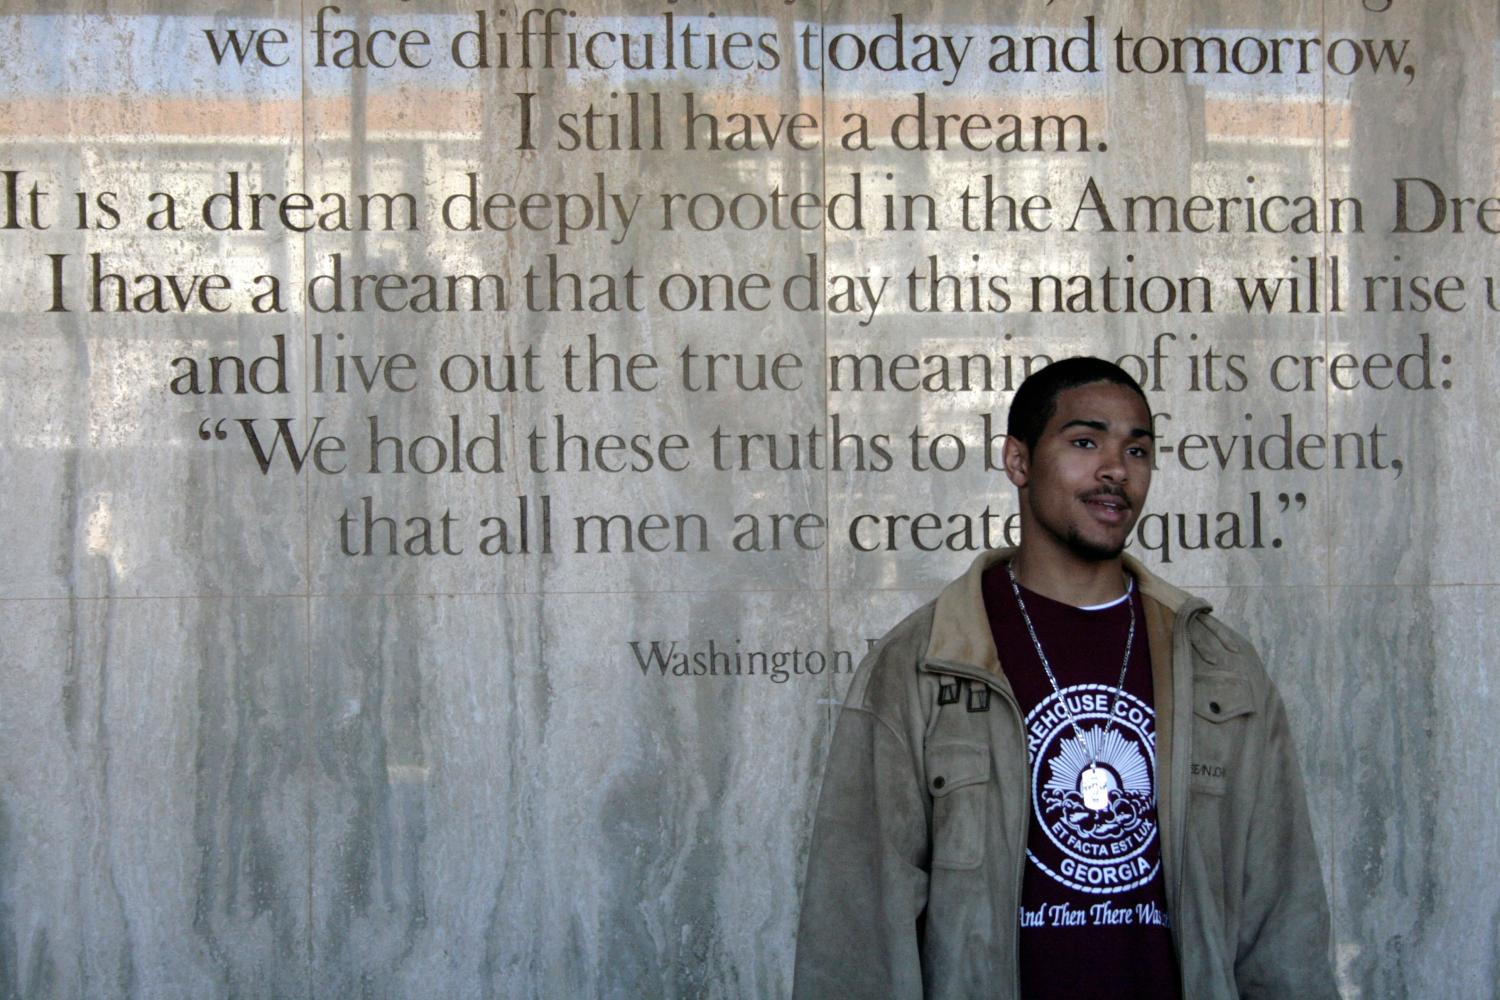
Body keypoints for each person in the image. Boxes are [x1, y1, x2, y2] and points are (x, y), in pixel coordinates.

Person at [792, 357, 1338, 1000]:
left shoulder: (1219, 665)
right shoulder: (921, 662)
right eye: (1085, 442)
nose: (1116, 469)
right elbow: (857, 932)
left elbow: (1282, 918)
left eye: (1137, 449)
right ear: (1018, 462)